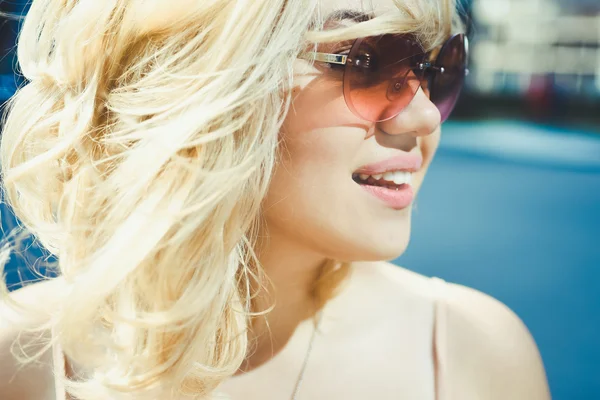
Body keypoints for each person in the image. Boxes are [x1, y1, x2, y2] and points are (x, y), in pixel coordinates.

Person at [0, 0, 551, 399]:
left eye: (437, 69)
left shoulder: (474, 354)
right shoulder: (21, 356)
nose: (426, 114)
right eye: (368, 63)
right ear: (208, 81)